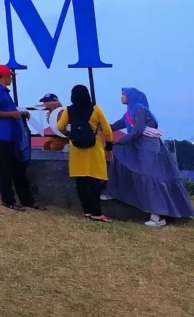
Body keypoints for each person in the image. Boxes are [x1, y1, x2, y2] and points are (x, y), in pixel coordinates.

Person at [104, 88, 194, 227]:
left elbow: (138, 130)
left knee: (151, 178)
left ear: (132, 96)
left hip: (148, 147)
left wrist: (120, 141)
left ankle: (158, 217)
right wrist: (99, 125)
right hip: (137, 146)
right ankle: (115, 191)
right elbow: (115, 126)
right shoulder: (129, 112)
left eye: (123, 94)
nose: (121, 97)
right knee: (120, 155)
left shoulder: (140, 110)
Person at [0, 64, 43, 211]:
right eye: (10, 76)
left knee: (18, 168)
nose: (11, 78)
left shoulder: (3, 93)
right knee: (5, 169)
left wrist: (20, 114)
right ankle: (8, 200)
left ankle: (26, 200)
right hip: (0, 136)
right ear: (4, 76)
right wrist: (12, 114)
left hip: (11, 136)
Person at [56, 85, 113, 222]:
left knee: (81, 180)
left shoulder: (69, 110)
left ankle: (87, 211)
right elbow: (108, 131)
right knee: (94, 180)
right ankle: (97, 212)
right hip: (94, 148)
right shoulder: (96, 109)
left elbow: (59, 127)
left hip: (76, 149)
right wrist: (109, 147)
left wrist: (69, 135)